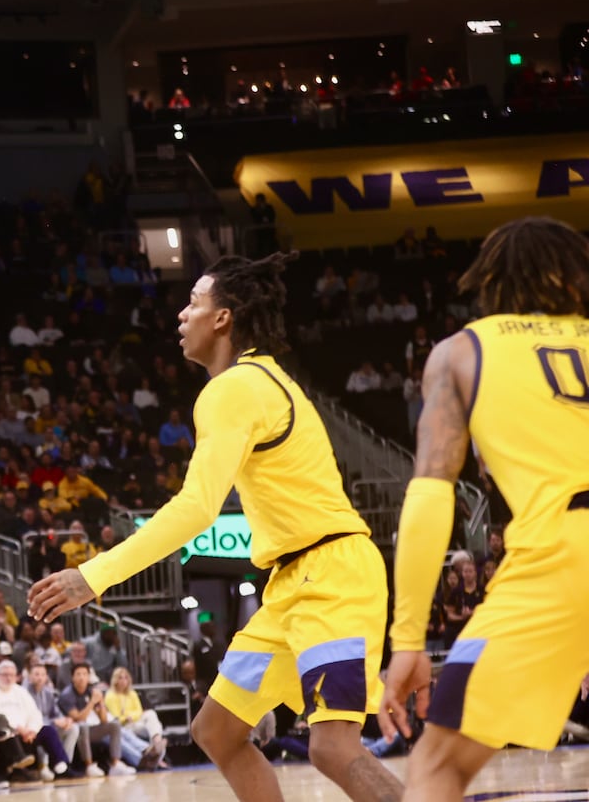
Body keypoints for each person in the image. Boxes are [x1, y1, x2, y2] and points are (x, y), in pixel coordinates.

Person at [28, 252, 402, 802]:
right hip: (291, 584)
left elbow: (196, 509)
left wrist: (95, 575)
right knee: (216, 730)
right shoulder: (261, 381)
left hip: (331, 577)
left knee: (331, 746)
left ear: (223, 317)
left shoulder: (235, 387)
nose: (182, 315)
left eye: (193, 303)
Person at [385, 217, 589, 801]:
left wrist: (407, 643)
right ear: (573, 276)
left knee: (438, 767)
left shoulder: (461, 353)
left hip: (560, 557)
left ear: (492, 281)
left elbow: (429, 493)